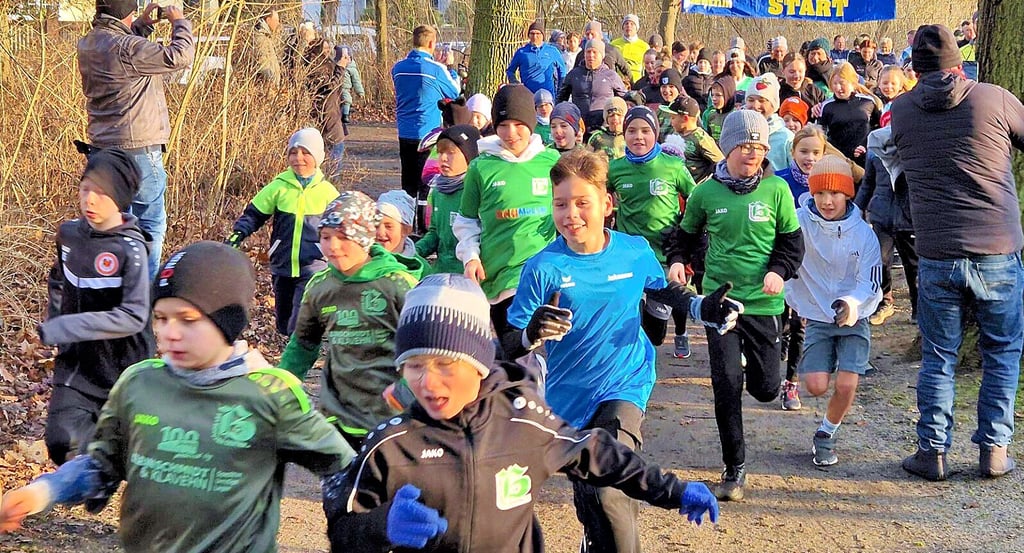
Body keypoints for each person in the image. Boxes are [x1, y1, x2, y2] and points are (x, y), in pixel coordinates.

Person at [325, 272, 722, 553]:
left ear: (478, 362)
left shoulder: (524, 420)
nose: (428, 383)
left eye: (444, 365)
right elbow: (342, 526)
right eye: (414, 367)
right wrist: (381, 526)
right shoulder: (392, 443)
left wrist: (675, 490)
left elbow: (596, 453)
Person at [0, 241, 355, 550]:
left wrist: (365, 527)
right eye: (161, 319)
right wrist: (44, 492)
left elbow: (347, 470)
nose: (170, 333)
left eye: (187, 319)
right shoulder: (139, 384)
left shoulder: (269, 393)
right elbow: (102, 463)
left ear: (226, 321)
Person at [503, 149, 737, 552]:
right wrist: (531, 333)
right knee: (597, 498)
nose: (570, 215)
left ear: (607, 204)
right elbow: (508, 342)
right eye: (560, 204)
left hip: (625, 383)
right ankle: (597, 539)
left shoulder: (634, 250)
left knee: (607, 489)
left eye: (582, 203)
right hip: (566, 401)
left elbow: (663, 292)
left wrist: (703, 308)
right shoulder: (542, 268)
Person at [891, 24, 1024, 481]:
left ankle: (932, 452)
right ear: (957, 62)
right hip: (997, 247)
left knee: (938, 355)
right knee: (1003, 352)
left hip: (936, 252)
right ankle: (994, 450)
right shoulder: (993, 98)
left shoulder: (901, 110)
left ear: (916, 66)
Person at [666, 110, 804, 501]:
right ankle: (734, 468)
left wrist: (779, 270)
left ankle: (759, 369)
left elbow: (793, 245)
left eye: (759, 146)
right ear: (727, 147)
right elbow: (683, 236)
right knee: (726, 384)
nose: (753, 153)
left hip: (764, 304)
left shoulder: (776, 191)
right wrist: (679, 262)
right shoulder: (705, 192)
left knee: (764, 388)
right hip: (720, 303)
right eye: (745, 145)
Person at [279, 192, 424, 449]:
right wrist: (280, 386)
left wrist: (407, 393)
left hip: (391, 415)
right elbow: (303, 345)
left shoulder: (398, 284)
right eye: (326, 237)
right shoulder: (320, 286)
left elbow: (425, 347)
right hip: (337, 414)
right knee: (342, 488)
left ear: (365, 238)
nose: (333, 247)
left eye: (344, 237)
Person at [39, 149, 152, 466]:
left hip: (124, 367)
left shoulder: (132, 249)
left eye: (101, 193)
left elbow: (133, 316)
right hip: (78, 363)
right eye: (85, 188)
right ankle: (91, 475)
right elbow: (58, 278)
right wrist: (57, 318)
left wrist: (66, 327)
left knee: (133, 460)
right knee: (62, 442)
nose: (89, 200)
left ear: (120, 197)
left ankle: (108, 469)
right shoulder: (69, 234)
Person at [77, 0, 195, 279]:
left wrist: (141, 25)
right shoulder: (126, 48)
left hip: (103, 153)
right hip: (138, 150)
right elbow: (179, 56)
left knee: (112, 226)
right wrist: (179, 21)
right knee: (148, 226)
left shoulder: (88, 43)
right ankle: (141, 292)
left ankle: (113, 287)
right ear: (127, 12)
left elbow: (123, 53)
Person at [785, 156, 882, 466]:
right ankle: (819, 376)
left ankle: (826, 433)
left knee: (846, 383)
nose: (827, 201)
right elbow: (781, 255)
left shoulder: (864, 233)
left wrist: (852, 304)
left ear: (848, 194)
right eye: (820, 194)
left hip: (855, 316)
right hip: (816, 315)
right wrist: (794, 300)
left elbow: (872, 282)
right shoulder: (798, 223)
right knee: (815, 385)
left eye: (835, 193)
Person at [454, 84, 560, 338]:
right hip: (497, 275)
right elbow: (466, 220)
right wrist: (471, 257)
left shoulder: (552, 162)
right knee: (513, 351)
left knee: (544, 349)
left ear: (531, 123)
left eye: (518, 124)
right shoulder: (481, 167)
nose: (510, 133)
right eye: (503, 125)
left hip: (543, 273)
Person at [226, 127, 339, 336]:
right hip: (282, 263)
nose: (299, 159)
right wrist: (239, 233)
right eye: (293, 153)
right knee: (284, 317)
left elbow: (341, 227)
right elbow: (254, 214)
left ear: (317, 157)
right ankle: (288, 343)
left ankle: (297, 349)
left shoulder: (327, 193)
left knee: (300, 315)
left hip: (313, 263)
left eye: (306, 153)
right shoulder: (278, 187)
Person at [607, 106, 698, 358]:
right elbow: (598, 198)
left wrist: (685, 234)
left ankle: (672, 331)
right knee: (628, 318)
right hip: (628, 256)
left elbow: (695, 199)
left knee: (656, 333)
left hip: (664, 256)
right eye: (632, 131)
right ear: (624, 135)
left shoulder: (672, 166)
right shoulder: (615, 169)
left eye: (645, 131)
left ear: (655, 133)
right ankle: (632, 361)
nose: (639, 137)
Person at [392, 25, 462, 234]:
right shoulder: (435, 69)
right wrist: (450, 68)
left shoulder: (398, 67)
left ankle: (405, 223)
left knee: (408, 181)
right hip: (428, 132)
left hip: (404, 130)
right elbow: (454, 91)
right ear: (432, 43)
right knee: (426, 182)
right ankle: (422, 228)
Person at [855, 122, 918, 327]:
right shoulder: (874, 154)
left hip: (908, 217)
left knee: (913, 264)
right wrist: (856, 210)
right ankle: (885, 300)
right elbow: (867, 184)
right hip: (881, 215)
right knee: (881, 260)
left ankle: (918, 307)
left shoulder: (913, 151)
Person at [417, 125, 481, 274]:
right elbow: (434, 233)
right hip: (442, 273)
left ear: (469, 156)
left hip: (470, 275)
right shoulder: (439, 190)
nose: (443, 158)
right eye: (440, 153)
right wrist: (414, 251)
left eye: (450, 153)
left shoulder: (475, 192)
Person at [817, 62, 881, 167]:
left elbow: (878, 128)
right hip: (839, 160)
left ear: (852, 82)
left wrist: (866, 146)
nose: (838, 88)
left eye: (842, 83)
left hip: (865, 157)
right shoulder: (826, 106)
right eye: (834, 83)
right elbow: (821, 135)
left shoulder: (868, 102)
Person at [558, 38, 628, 133]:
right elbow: (561, 99)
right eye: (588, 52)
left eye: (595, 52)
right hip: (579, 126)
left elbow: (624, 100)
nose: (591, 55)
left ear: (602, 55)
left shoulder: (611, 75)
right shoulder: (574, 74)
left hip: (604, 127)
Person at [662, 96, 723, 184]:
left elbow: (720, 161)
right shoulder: (674, 134)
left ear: (685, 118)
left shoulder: (701, 139)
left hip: (695, 189)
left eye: (673, 118)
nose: (671, 122)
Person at [744, 72, 794, 172]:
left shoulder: (786, 138)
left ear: (773, 105)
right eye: (751, 100)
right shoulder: (738, 131)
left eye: (762, 101)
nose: (755, 105)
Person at [506, 20, 567, 96]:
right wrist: (515, 83)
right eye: (532, 33)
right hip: (527, 96)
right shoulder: (521, 52)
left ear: (543, 35)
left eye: (538, 33)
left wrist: (560, 92)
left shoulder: (552, 51)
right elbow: (510, 71)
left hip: (547, 97)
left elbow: (563, 71)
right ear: (528, 35)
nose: (535, 36)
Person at [376, 189, 419, 258]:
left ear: (406, 230)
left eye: (388, 226)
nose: (380, 232)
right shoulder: (362, 261)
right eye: (376, 225)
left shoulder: (417, 266)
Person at [245, 9, 282, 87]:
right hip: (266, 87)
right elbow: (262, 64)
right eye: (276, 20)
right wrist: (271, 84)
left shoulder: (267, 37)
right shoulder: (260, 38)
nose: (278, 23)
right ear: (268, 20)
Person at [610, 13, 650, 83]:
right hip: (619, 83)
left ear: (637, 28)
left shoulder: (644, 46)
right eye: (626, 23)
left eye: (632, 24)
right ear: (623, 27)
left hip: (637, 83)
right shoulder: (613, 44)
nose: (629, 26)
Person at [336, 45, 365, 139]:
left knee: (347, 99)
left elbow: (356, 81)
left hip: (345, 89)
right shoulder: (335, 66)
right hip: (335, 90)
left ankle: (345, 115)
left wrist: (360, 92)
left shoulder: (352, 69)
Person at [700, 75, 736, 142]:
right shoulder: (709, 114)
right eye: (713, 95)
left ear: (728, 95)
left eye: (718, 95)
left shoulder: (735, 116)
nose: (714, 99)